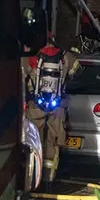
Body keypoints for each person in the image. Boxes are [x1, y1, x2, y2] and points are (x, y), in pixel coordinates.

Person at [25, 32, 81, 190]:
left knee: (31, 142)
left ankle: (30, 179)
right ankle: (48, 180)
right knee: (54, 142)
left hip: (35, 105)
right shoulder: (65, 57)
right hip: (57, 106)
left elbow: (23, 76)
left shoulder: (33, 56)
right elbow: (77, 73)